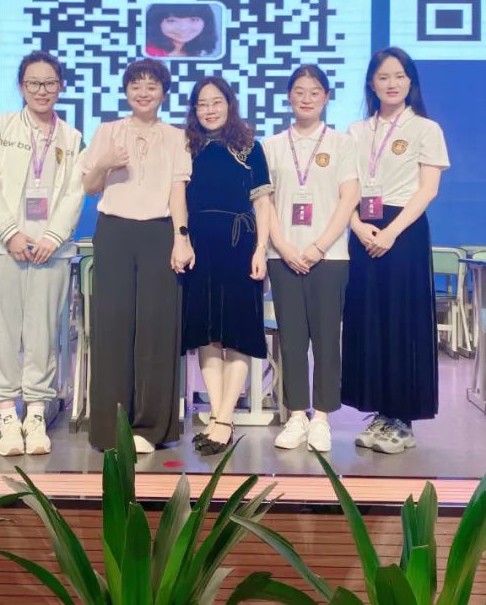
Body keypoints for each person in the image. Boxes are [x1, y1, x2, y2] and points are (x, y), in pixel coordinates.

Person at [0, 51, 85, 457]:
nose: (42, 90)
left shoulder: (72, 138)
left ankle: (35, 413)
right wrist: (10, 233)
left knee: (43, 332)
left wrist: (53, 236)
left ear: (61, 86)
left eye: (50, 83)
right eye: (34, 83)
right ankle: (7, 415)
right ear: (21, 86)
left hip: (50, 250)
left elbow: (74, 193)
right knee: (1, 331)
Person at [80, 58, 194, 452]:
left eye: (151, 85)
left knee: (156, 328)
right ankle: (110, 428)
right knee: (112, 327)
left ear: (163, 92)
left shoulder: (177, 137)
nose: (143, 92)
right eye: (136, 85)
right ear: (126, 90)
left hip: (159, 233)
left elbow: (177, 193)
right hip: (114, 231)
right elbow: (89, 187)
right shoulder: (107, 131)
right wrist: (104, 164)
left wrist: (181, 238)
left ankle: (150, 428)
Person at [343, 47, 450, 454]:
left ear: (411, 82)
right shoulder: (356, 131)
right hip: (363, 229)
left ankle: (403, 420)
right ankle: (381, 412)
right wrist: (357, 226)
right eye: (383, 76)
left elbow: (428, 189)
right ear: (371, 83)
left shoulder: (426, 129)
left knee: (402, 322)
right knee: (368, 320)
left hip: (403, 231)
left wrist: (390, 232)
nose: (391, 84)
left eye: (399, 76)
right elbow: (346, 188)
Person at [263, 65, 359, 453]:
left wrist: (319, 246)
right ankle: (296, 415)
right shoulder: (271, 146)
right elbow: (265, 202)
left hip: (330, 256)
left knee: (326, 339)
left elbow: (348, 199)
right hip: (282, 255)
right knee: (291, 339)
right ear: (289, 96)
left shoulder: (341, 143)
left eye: (315, 92)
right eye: (299, 91)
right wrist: (284, 246)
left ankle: (321, 418)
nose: (306, 98)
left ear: (326, 97)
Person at [181, 76, 273, 456]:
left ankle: (223, 418)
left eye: (216, 102)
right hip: (198, 247)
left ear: (229, 104)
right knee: (207, 334)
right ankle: (221, 417)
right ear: (194, 109)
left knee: (236, 334)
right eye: (202, 104)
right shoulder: (186, 146)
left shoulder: (249, 146)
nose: (210, 110)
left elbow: (263, 203)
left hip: (240, 246)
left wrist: (261, 249)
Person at [145, 3, 219, 57]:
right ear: (156, 23)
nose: (183, 28)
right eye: (172, 21)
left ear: (206, 22)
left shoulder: (193, 52)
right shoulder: (149, 53)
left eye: (193, 20)